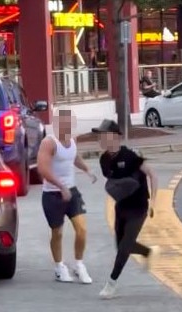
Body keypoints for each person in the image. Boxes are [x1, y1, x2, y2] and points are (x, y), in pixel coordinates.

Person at [91, 119, 160, 299]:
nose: (100, 139)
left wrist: (153, 201)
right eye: (99, 135)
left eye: (103, 135)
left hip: (138, 207)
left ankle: (111, 284)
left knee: (124, 248)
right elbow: (113, 181)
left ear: (114, 137)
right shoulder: (104, 160)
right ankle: (148, 252)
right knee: (121, 246)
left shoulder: (130, 156)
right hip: (121, 206)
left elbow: (152, 175)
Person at [37, 107, 97, 284]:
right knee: (58, 233)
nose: (68, 127)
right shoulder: (49, 143)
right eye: (64, 124)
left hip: (72, 191)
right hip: (52, 194)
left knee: (82, 229)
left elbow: (74, 157)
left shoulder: (72, 139)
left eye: (70, 123)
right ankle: (59, 267)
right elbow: (43, 168)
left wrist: (87, 169)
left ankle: (79, 265)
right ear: (56, 125)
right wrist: (60, 186)